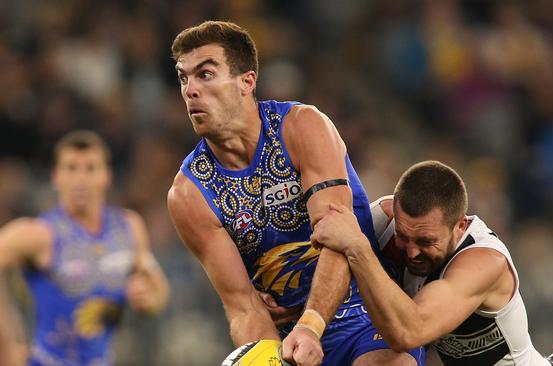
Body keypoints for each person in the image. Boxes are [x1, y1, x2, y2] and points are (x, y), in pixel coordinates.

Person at [166, 20, 423, 366]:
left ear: (247, 81)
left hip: (366, 315)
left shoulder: (302, 128)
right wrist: (272, 357)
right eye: (184, 78)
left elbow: (339, 239)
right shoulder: (188, 194)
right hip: (291, 343)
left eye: (206, 74)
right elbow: (243, 306)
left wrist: (312, 325)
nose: (191, 89)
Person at [311, 160, 553, 365]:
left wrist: (359, 250)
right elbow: (323, 263)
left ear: (460, 226)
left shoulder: (485, 262)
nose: (411, 252)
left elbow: (408, 331)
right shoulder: (384, 220)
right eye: (403, 236)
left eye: (425, 241)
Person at [0, 130, 170, 366]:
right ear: (56, 176)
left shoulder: (129, 227)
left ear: (106, 176)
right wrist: (7, 342)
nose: (80, 178)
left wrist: (149, 298)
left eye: (90, 168)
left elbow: (157, 287)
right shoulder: (38, 234)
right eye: (71, 168)